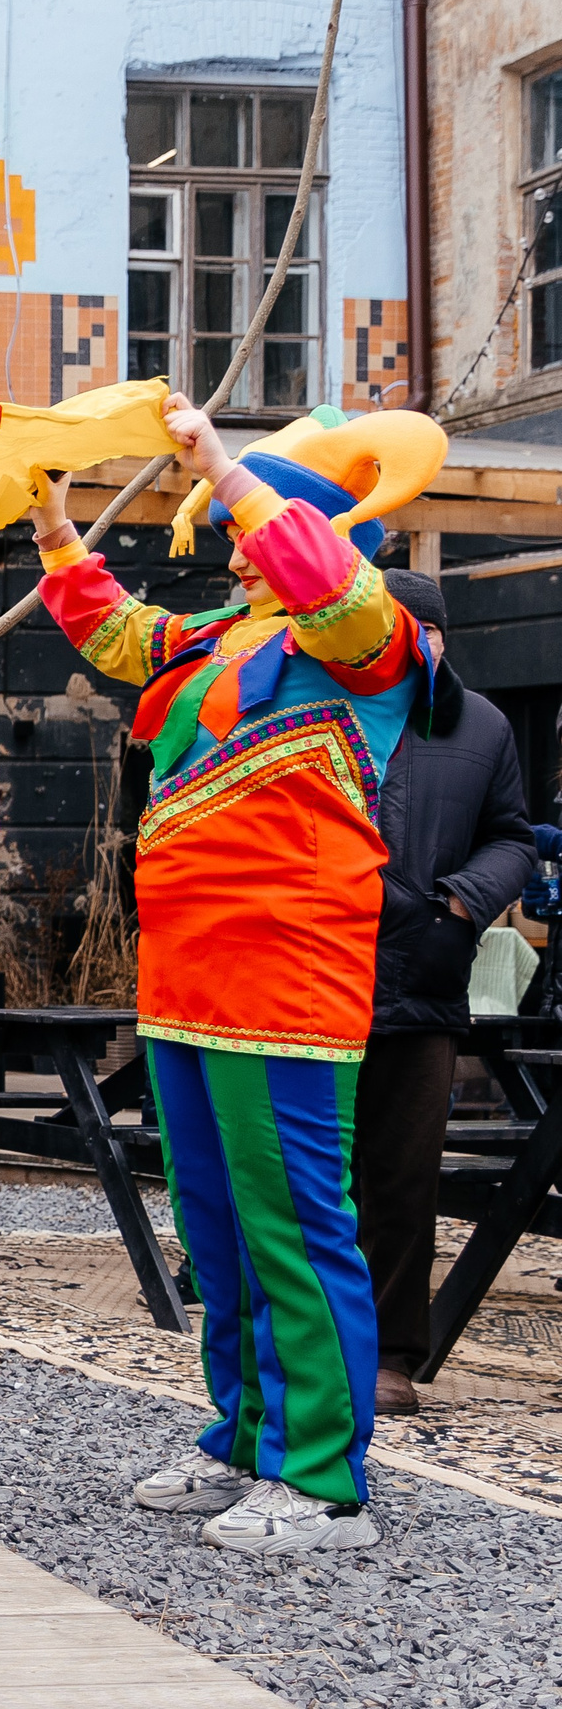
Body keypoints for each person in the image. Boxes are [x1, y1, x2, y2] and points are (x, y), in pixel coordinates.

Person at [33, 395, 444, 1555]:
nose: (224, 529)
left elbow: (326, 585)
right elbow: (120, 638)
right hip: (184, 974)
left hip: (282, 976)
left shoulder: (367, 636)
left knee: (296, 1228)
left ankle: (321, 1478)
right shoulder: (222, 635)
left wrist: (221, 464)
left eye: (244, 508)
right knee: (216, 1226)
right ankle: (244, 1437)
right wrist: (59, 536)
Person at [361, 569, 532, 1417]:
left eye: (412, 631)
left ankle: (392, 1354)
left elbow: (514, 836)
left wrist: (462, 902)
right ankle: (303, 1345)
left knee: (403, 1177)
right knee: (306, 1176)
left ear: (435, 636)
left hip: (423, 982)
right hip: (314, 978)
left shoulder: (484, 724)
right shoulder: (319, 706)